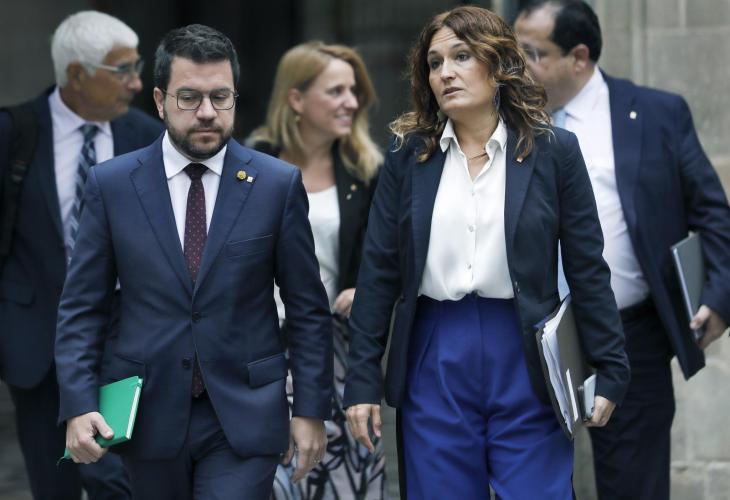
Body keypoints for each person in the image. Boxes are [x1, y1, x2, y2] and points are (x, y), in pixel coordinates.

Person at [343, 5, 630, 499]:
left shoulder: (555, 151)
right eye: (434, 63)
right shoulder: (408, 156)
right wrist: (362, 380)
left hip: (526, 351)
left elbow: (587, 266)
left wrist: (609, 365)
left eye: (461, 56)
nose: (445, 73)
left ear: (498, 65)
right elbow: (378, 272)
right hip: (435, 351)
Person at [54, 24, 333, 500]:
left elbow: (308, 307)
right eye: (189, 98)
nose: (207, 112)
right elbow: (82, 307)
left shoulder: (276, 184)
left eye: (220, 97)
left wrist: (310, 409)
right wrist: (79, 404)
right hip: (148, 414)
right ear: (160, 101)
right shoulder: (113, 185)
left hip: (245, 413)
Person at [514, 1, 730, 498]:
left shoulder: (656, 114)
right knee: (528, 481)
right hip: (526, 336)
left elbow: (712, 212)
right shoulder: (501, 121)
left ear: (579, 57)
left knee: (635, 485)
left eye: (532, 53)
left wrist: (719, 298)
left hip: (631, 333)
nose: (517, 66)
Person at [0, 10, 162, 500]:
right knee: (54, 483)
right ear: (76, 74)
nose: (137, 83)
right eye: (123, 70)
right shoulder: (15, 133)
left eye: (137, 67)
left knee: (116, 478)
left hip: (123, 337)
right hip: (38, 344)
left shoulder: (146, 137)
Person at [248, 41, 384, 499]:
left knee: (341, 480)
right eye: (336, 91)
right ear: (296, 98)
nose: (351, 102)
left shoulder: (367, 171)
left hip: (335, 350)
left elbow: (384, 260)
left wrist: (363, 289)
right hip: (259, 349)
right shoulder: (248, 164)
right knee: (271, 481)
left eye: (354, 91)